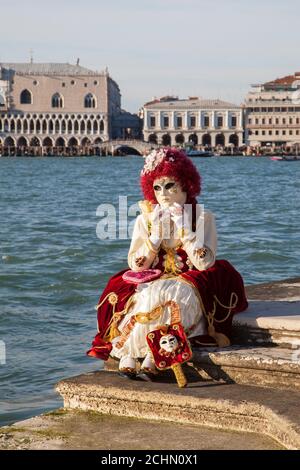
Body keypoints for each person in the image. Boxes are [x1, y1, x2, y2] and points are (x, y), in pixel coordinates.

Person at [87, 147, 248, 378]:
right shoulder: (146, 219)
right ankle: (130, 351)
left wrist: (184, 228)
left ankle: (154, 355)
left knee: (174, 294)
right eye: (157, 187)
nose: (163, 193)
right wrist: (154, 238)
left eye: (170, 185)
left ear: (185, 184)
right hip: (154, 277)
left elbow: (204, 263)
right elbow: (136, 264)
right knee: (144, 296)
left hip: (190, 279)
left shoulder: (203, 217)